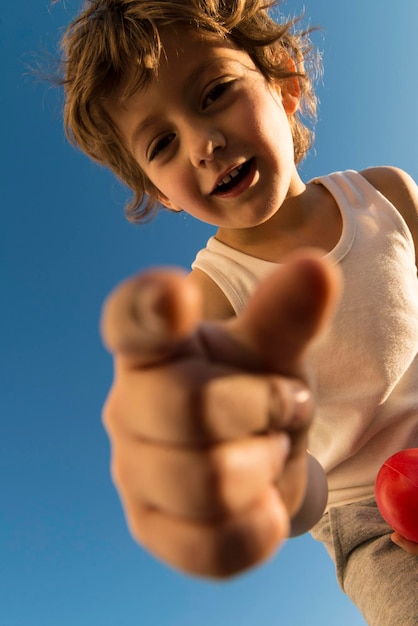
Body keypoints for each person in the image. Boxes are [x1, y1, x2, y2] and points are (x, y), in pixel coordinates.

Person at [60, 1, 418, 623]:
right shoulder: (212, 302)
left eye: (215, 92)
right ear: (159, 194)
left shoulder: (386, 195)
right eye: (163, 142)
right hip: (365, 518)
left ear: (284, 83)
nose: (204, 143)